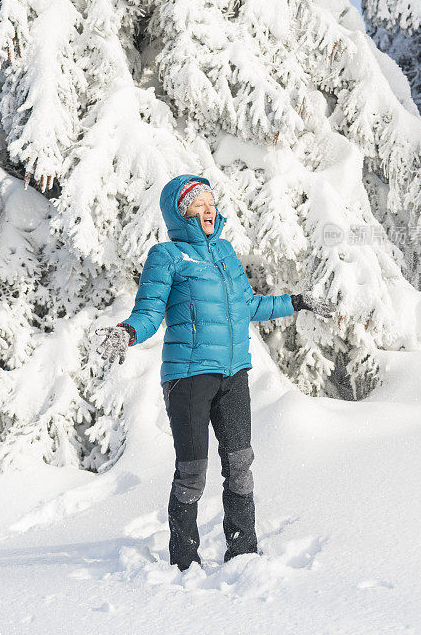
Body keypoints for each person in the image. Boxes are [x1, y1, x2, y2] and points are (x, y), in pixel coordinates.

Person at [96, 174, 335, 571]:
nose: (209, 209)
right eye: (198, 203)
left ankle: (243, 553)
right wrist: (127, 331)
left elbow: (249, 306)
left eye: (211, 202)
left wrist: (298, 301)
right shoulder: (167, 256)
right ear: (180, 211)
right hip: (188, 377)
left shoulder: (225, 252)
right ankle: (184, 562)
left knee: (240, 464)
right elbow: (150, 311)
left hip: (234, 374)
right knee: (192, 474)